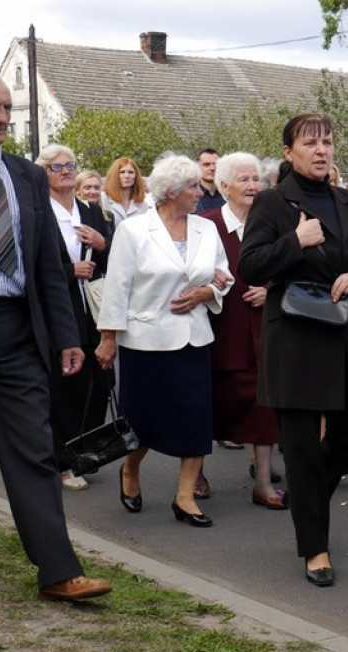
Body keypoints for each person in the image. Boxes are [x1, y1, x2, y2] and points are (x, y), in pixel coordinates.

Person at [0, 72, 110, 600]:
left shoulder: (26, 177)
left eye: (7, 108)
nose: (2, 117)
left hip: (16, 331)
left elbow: (49, 264)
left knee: (34, 449)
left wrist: (66, 336)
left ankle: (57, 572)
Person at [238, 114, 348, 587]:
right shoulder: (272, 202)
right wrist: (295, 241)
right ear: (289, 152)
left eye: (327, 141)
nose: (321, 150)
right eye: (310, 143)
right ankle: (314, 548)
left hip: (344, 334)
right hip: (297, 339)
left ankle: (308, 499)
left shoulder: (346, 200)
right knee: (299, 447)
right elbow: (251, 266)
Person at [95, 154, 230, 529]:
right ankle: (130, 469)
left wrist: (207, 292)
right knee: (143, 421)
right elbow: (117, 287)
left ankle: (185, 497)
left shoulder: (206, 229)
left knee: (196, 419)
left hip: (195, 338)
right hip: (146, 342)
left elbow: (224, 275)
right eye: (192, 187)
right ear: (170, 192)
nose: (200, 193)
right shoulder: (135, 230)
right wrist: (108, 338)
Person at [201, 152, 285, 510]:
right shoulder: (205, 224)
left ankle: (263, 482)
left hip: (264, 327)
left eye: (256, 179)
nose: (254, 186)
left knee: (264, 406)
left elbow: (291, 264)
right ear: (223, 186)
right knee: (206, 403)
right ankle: (196, 474)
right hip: (219, 326)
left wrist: (272, 290)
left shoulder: (271, 222)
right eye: (244, 180)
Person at [36, 144, 114, 492]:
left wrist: (103, 244)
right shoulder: (39, 212)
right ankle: (62, 462)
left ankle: (85, 452)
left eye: (71, 165)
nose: (66, 171)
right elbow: (33, 266)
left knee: (98, 383)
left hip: (95, 309)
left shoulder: (90, 210)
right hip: (61, 309)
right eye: (57, 167)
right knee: (66, 384)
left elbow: (115, 260)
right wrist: (71, 271)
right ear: (44, 173)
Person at [101, 157, 149, 228]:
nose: (127, 176)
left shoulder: (143, 204)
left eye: (131, 172)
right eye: (122, 172)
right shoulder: (103, 199)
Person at [195, 148, 225, 214]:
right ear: (197, 167)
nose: (212, 168)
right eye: (206, 165)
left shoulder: (227, 195)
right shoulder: (192, 195)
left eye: (215, 164)